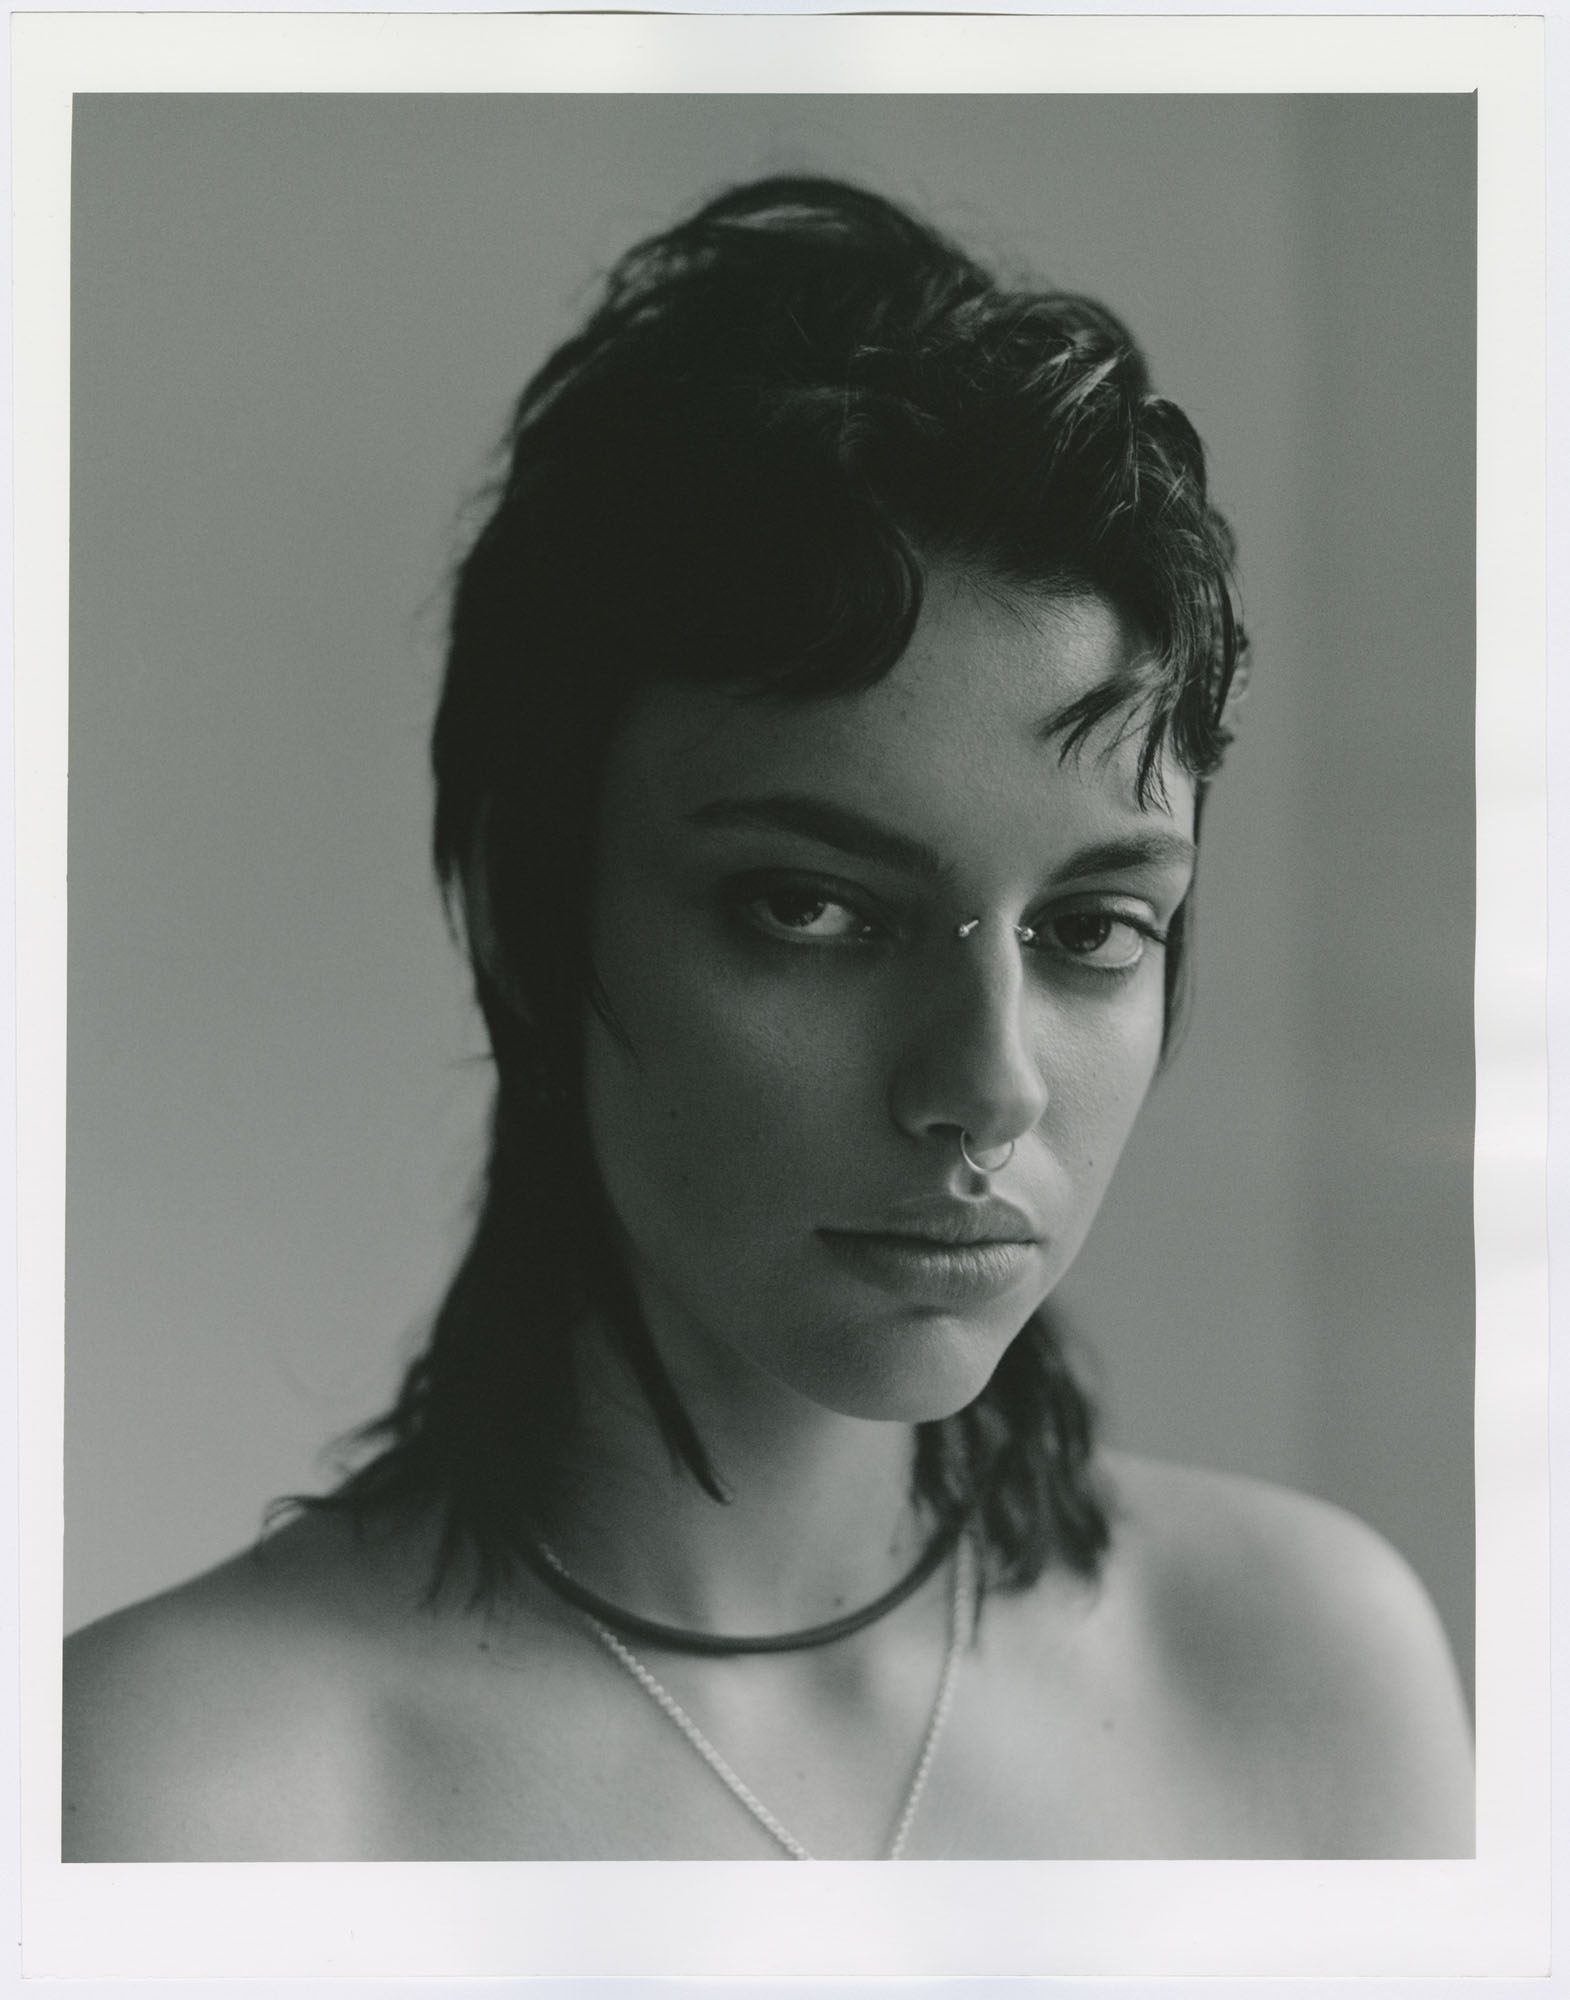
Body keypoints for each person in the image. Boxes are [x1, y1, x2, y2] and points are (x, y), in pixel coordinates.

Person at [63, 176, 1473, 1861]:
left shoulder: (1307, 1680)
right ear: (526, 915)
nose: (985, 1084)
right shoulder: (168, 1799)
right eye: (812, 908)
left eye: (1090, 927)